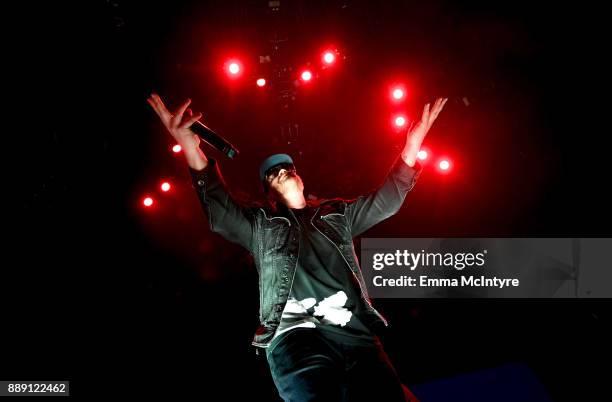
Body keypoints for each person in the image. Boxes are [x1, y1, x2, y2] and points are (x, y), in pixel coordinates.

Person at [147, 93, 447, 401]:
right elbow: (220, 212)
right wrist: (189, 145)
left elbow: (386, 201)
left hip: (356, 336)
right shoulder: (261, 225)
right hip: (297, 339)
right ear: (269, 195)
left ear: (301, 180)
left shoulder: (337, 214)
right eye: (272, 174)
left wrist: (412, 147)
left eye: (287, 167)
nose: (281, 171)